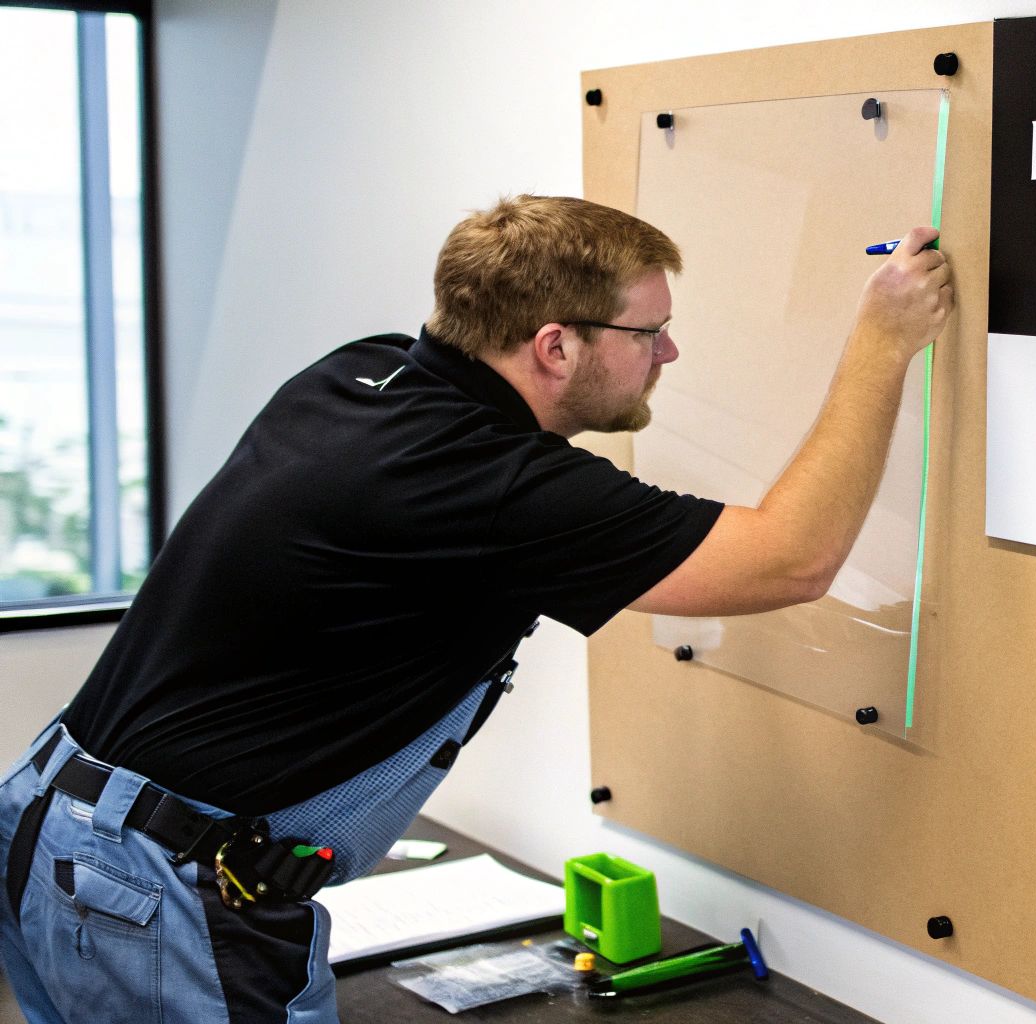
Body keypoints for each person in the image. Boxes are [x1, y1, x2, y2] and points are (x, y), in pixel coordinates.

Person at [0, 195, 951, 1022]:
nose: (669, 351)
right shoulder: (486, 481)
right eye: (647, 332)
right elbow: (792, 559)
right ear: (555, 345)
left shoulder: (362, 374)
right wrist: (883, 341)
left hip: (58, 824)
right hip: (153, 887)